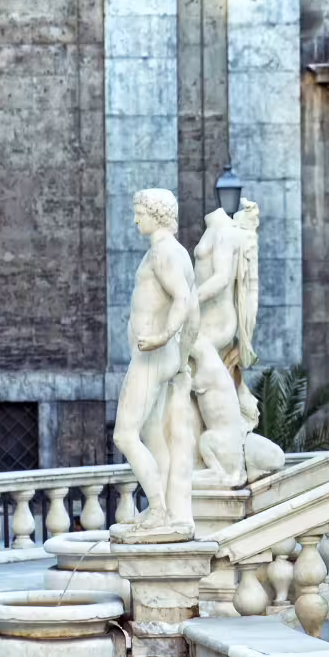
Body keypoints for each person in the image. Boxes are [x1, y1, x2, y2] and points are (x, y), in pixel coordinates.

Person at [111, 189, 200, 541]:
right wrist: (180, 356)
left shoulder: (164, 253)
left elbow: (181, 299)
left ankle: (160, 510)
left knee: (124, 434)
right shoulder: (173, 252)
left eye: (139, 213)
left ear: (156, 215)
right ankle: (159, 506)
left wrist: (163, 336)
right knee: (151, 434)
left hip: (151, 355)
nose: (135, 219)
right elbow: (192, 309)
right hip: (159, 355)